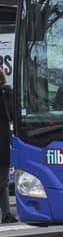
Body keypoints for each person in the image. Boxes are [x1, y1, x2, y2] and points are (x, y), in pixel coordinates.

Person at [0, 70, 11, 223]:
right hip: (3, 144)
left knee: (2, 181)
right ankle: (7, 213)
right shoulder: (8, 94)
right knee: (3, 180)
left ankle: (7, 213)